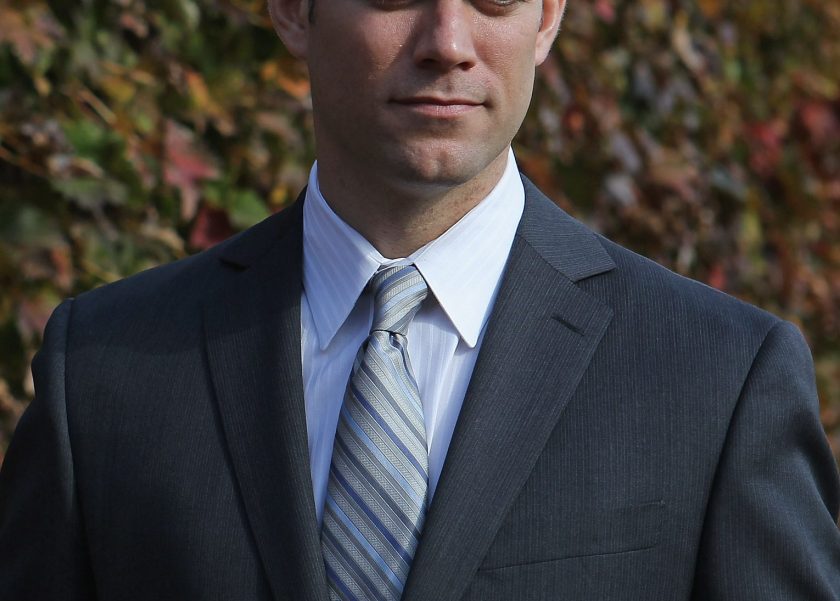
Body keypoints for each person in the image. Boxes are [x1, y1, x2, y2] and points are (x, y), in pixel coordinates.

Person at [1, 0, 838, 598]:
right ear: (292, 12)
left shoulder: (718, 378)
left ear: (547, 19)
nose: (448, 41)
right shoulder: (107, 371)